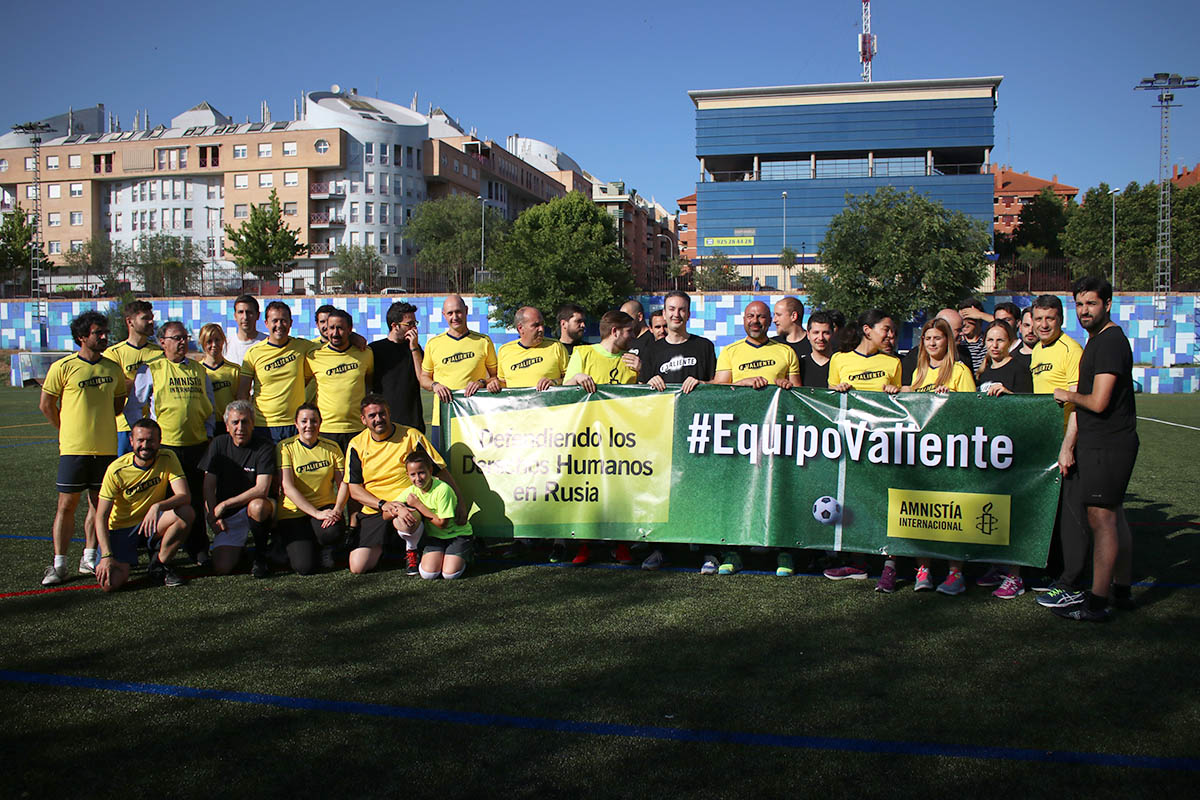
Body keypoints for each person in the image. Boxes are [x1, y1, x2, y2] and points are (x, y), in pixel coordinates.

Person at [1049, 277, 1138, 621]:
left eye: (1091, 303)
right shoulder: (1098, 341)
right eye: (1080, 304)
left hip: (1108, 444)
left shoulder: (1110, 343)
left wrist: (1067, 394)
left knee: (1101, 520)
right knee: (1115, 517)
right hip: (1101, 442)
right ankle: (1122, 591)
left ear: (1108, 304)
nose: (1084, 310)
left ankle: (1097, 603)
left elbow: (1098, 402)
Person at [38, 311, 128, 585]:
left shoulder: (112, 368)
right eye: (97, 333)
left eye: (104, 332)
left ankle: (88, 557)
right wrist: (65, 431)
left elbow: (117, 405)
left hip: (105, 449)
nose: (103, 337)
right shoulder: (63, 367)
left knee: (98, 506)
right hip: (74, 449)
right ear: (81, 337)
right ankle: (59, 563)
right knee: (67, 504)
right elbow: (46, 405)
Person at [711, 300, 800, 577]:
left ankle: (784, 552)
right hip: (739, 436)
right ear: (743, 319)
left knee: (779, 492)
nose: (756, 321)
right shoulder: (730, 351)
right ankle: (734, 552)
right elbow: (719, 387)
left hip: (777, 435)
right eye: (750, 316)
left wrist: (785, 385)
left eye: (761, 316)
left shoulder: (786, 352)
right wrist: (744, 382)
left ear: (769, 321)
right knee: (738, 493)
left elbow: (801, 395)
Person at [824, 310, 903, 591]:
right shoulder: (840, 359)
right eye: (887, 330)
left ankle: (890, 565)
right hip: (851, 444)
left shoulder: (893, 363)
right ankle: (857, 562)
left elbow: (903, 405)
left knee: (887, 503)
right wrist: (837, 389)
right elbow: (829, 399)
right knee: (854, 501)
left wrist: (897, 391)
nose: (891, 336)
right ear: (867, 330)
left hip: (885, 445)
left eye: (893, 331)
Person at [639, 290, 717, 571]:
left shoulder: (704, 346)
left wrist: (702, 384)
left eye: (682, 309)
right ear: (664, 311)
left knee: (700, 489)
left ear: (689, 313)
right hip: (662, 429)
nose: (676, 314)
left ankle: (708, 550)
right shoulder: (652, 349)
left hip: (697, 429)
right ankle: (660, 548)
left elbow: (715, 386)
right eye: (671, 309)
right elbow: (640, 390)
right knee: (663, 489)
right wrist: (650, 380)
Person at [346, 394, 462, 576]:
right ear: (363, 420)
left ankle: (412, 548)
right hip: (376, 509)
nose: (378, 419)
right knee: (358, 567)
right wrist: (383, 504)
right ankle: (391, 545)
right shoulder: (356, 444)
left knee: (406, 521)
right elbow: (354, 489)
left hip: (409, 504)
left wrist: (461, 505)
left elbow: (441, 471)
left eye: (382, 413)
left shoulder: (411, 436)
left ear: (389, 413)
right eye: (372, 416)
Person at [131, 321, 215, 564]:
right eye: (176, 338)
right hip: (166, 448)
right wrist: (145, 438)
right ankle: (159, 547)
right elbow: (135, 406)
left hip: (197, 445)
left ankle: (199, 547)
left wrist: (208, 433)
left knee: (196, 500)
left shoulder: (199, 370)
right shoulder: (152, 369)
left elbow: (209, 405)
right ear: (162, 342)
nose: (182, 342)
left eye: (184, 337)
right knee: (166, 500)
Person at [903, 318, 976, 595]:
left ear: (949, 341)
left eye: (938, 338)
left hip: (952, 452)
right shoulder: (919, 372)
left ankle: (955, 573)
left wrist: (952, 400)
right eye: (928, 338)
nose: (932, 343)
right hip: (923, 453)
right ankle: (924, 571)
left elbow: (974, 411)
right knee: (922, 512)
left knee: (952, 513)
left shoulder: (959, 370)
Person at [563, 310, 641, 566]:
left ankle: (620, 545)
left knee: (620, 492)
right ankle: (583, 545)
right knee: (586, 491)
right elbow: (564, 388)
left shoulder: (632, 361)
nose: (634, 336)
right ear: (615, 331)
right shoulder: (583, 353)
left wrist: (643, 372)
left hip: (621, 439)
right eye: (630, 331)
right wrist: (577, 377)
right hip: (586, 439)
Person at [1027, 294, 1088, 607]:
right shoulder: (1038, 350)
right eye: (1038, 319)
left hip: (1067, 443)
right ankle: (1054, 572)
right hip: (1045, 442)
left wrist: (1068, 445)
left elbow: (1077, 401)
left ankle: (1073, 580)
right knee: (1049, 512)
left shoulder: (1071, 350)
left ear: (1060, 320)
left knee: (1070, 515)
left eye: (1049, 318)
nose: (1043, 325)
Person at [93, 418, 194, 591]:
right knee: (109, 584)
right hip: (120, 529)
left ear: (159, 441)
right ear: (131, 441)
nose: (145, 445)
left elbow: (184, 496)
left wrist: (158, 506)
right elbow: (101, 516)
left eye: (151, 440)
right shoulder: (116, 470)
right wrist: (106, 555)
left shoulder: (168, 457)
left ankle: (158, 565)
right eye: (140, 440)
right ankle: (118, 558)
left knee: (186, 513)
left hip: (151, 523)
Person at [973, 318, 1034, 599]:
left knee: (1013, 514)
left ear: (1010, 341)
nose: (994, 345)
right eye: (990, 340)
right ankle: (998, 566)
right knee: (992, 510)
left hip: (1013, 449)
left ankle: (1015, 575)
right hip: (989, 450)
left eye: (1000, 340)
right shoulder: (983, 371)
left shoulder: (1019, 369)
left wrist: (1010, 395)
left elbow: (1032, 407)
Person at [199, 400, 276, 578]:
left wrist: (225, 504)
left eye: (245, 421)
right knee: (221, 568)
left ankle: (261, 555)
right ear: (227, 426)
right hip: (230, 515)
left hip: (256, 507)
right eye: (235, 422)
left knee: (257, 506)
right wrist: (213, 515)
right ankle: (240, 552)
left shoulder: (264, 446)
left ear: (253, 424)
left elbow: (262, 489)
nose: (240, 427)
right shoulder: (218, 444)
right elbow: (209, 485)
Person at [420, 294, 499, 452]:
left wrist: (481, 382)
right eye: (450, 313)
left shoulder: (483, 341)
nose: (455, 317)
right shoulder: (434, 344)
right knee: (443, 470)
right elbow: (424, 378)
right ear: (444, 315)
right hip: (442, 419)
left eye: (458, 312)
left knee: (474, 467)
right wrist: (435, 385)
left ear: (466, 311)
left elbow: (497, 377)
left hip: (474, 417)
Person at [277, 403, 349, 574]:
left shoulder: (332, 447)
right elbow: (287, 487)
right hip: (294, 512)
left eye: (314, 421)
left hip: (324, 508)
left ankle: (326, 547)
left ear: (320, 423)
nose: (309, 425)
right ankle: (285, 544)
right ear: (296, 424)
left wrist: (337, 509)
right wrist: (315, 514)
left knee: (331, 532)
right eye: (304, 421)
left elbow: (343, 483)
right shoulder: (285, 447)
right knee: (304, 567)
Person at [238, 301, 318, 445]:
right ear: (266, 323)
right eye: (275, 321)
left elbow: (330, 344)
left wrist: (354, 338)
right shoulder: (254, 353)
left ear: (291, 322)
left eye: (284, 321)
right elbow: (243, 392)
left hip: (295, 424)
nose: (279, 325)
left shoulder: (303, 347)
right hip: (264, 425)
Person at [305, 308, 374, 455]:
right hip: (325, 429)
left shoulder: (365, 354)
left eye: (340, 328)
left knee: (358, 476)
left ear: (350, 329)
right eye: (331, 328)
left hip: (357, 428)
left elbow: (370, 382)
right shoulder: (314, 356)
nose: (335, 333)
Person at [399, 450, 474, 580]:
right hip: (435, 537)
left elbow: (442, 524)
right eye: (413, 475)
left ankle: (469, 552)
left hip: (457, 535)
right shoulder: (411, 491)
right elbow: (385, 514)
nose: (418, 478)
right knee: (428, 574)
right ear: (408, 475)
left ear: (430, 470)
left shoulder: (443, 489)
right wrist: (398, 509)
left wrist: (418, 505)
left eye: (421, 473)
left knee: (450, 574)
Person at [104, 299, 162, 455]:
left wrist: (131, 383)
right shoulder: (114, 353)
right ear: (130, 321)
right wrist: (145, 383)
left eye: (152, 317)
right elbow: (115, 387)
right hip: (124, 426)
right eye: (145, 318)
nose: (151, 322)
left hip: (152, 426)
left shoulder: (159, 353)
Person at [369, 301, 426, 432]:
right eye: (409, 324)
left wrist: (414, 348)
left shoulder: (415, 350)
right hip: (385, 423)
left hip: (413, 423)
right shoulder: (375, 350)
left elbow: (423, 379)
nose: (414, 329)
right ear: (395, 326)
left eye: (415, 323)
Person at [497, 306, 568, 390]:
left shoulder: (556, 346)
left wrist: (555, 382)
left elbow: (571, 379)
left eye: (542, 324)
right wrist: (494, 384)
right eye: (536, 325)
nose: (541, 329)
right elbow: (502, 382)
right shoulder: (504, 350)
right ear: (520, 328)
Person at [900, 309, 973, 385]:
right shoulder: (915, 360)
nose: (962, 333)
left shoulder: (963, 361)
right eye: (958, 330)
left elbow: (969, 395)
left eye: (937, 338)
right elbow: (906, 389)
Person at [199, 323, 240, 437]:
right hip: (205, 425)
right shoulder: (198, 371)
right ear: (202, 343)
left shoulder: (234, 370)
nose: (214, 345)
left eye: (217, 340)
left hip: (229, 425)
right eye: (209, 341)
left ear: (223, 341)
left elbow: (240, 399)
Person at [223, 294, 268, 366]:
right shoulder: (225, 345)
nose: (245, 317)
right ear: (235, 316)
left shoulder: (268, 343)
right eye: (241, 312)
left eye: (249, 312)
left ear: (258, 315)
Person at [799, 310, 835, 388]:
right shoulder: (799, 364)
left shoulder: (841, 363)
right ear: (808, 335)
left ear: (832, 334)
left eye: (826, 333)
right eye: (816, 332)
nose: (821, 338)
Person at [772, 296, 811, 362]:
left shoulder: (813, 344)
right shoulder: (773, 344)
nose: (774, 320)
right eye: (774, 315)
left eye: (778, 315)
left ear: (793, 316)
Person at [957, 298, 988, 372]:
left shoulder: (989, 342)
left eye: (968, 318)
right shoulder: (957, 343)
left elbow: (1006, 328)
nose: (964, 323)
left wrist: (981, 315)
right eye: (961, 319)